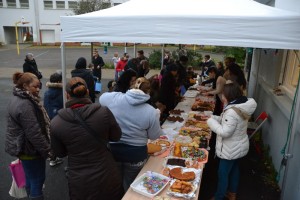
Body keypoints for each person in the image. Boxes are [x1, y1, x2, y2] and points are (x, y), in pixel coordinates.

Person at [50, 77, 123, 200]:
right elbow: (116, 137)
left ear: (67, 95)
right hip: (107, 173)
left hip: (80, 180)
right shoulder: (103, 112)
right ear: (88, 92)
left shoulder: (56, 123)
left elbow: (60, 153)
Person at [100, 77, 163, 191]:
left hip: (113, 151)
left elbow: (101, 98)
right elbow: (154, 136)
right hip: (136, 155)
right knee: (131, 187)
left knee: (114, 184)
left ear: (132, 86)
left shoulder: (114, 98)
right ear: (148, 92)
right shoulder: (151, 111)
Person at [207, 82, 257, 200]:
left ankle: (219, 197)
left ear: (228, 95)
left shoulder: (231, 111)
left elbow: (225, 132)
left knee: (222, 174)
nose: (222, 96)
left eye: (223, 94)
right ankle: (232, 193)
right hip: (238, 146)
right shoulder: (240, 106)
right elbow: (229, 122)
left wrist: (210, 122)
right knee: (234, 170)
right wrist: (213, 117)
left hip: (230, 149)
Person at [6, 72, 51, 200]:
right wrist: (48, 151)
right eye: (35, 86)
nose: (38, 89)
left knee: (30, 178)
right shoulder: (26, 104)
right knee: (38, 180)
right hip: (31, 150)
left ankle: (31, 194)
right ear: (25, 86)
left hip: (22, 147)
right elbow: (34, 133)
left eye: (39, 86)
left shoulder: (16, 98)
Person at [43, 71, 64, 167]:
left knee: (50, 138)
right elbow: (63, 105)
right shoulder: (61, 92)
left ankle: (51, 156)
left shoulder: (47, 92)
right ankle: (54, 158)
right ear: (59, 81)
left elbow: (45, 106)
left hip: (48, 118)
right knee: (57, 140)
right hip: (58, 118)